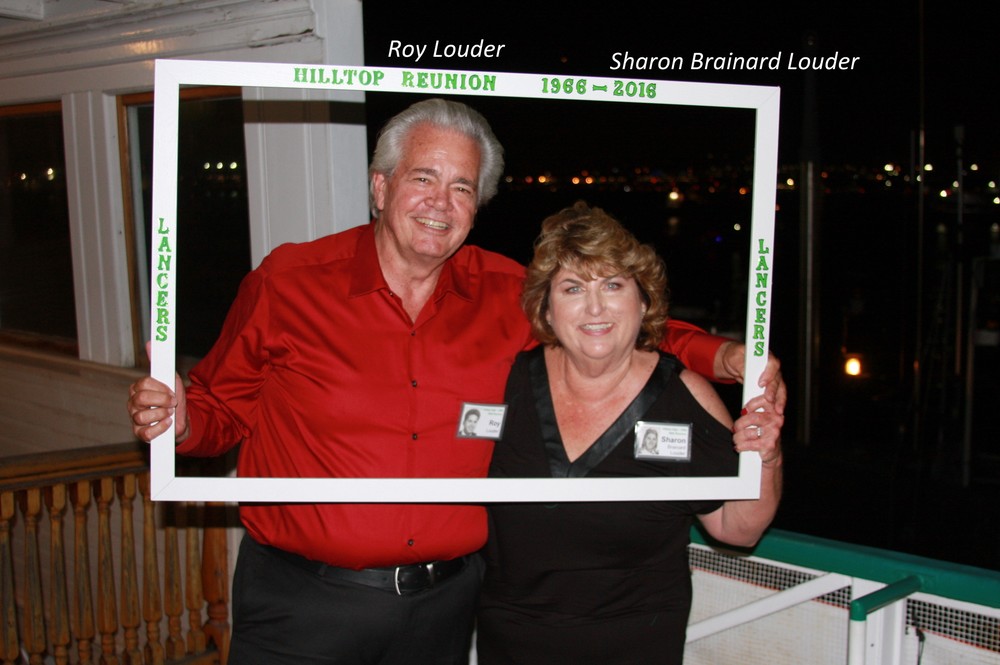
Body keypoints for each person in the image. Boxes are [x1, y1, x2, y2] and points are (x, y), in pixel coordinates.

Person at [127, 99, 784, 665]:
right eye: (424, 178)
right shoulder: (288, 283)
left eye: (462, 187)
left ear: (478, 205)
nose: (441, 203)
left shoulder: (505, 293)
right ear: (380, 187)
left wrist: (726, 356)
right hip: (303, 604)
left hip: (443, 610)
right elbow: (218, 411)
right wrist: (179, 420)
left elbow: (604, 327)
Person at [476, 201, 783, 665]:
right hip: (513, 643)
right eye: (573, 288)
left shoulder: (684, 396)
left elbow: (738, 529)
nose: (595, 307)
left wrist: (768, 457)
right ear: (547, 310)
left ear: (642, 302)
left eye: (613, 285)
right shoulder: (506, 384)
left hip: (639, 644)